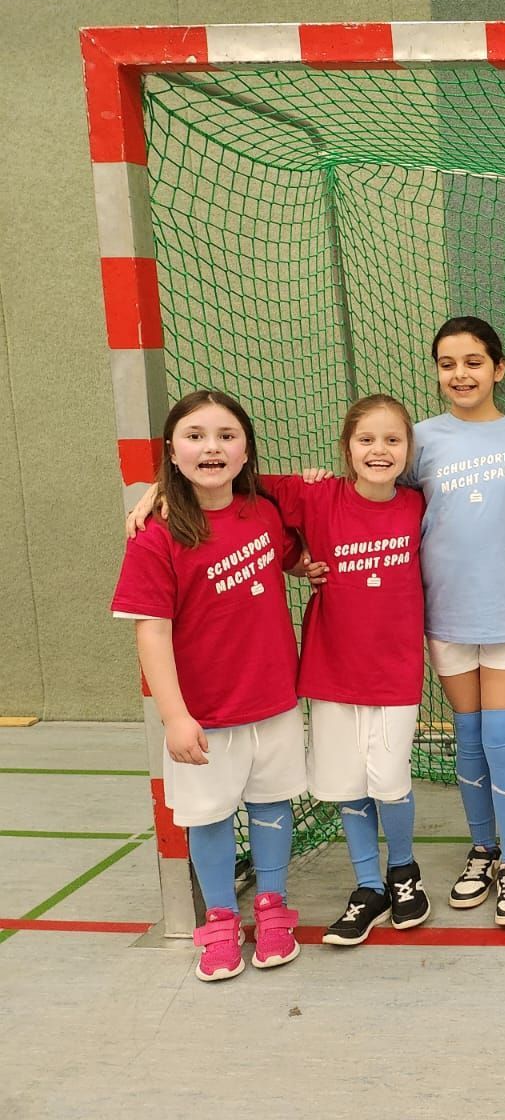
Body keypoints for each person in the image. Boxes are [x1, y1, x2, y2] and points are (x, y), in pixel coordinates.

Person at [112, 390, 306, 981]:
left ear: (246, 450)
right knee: (209, 816)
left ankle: (272, 908)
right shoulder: (156, 534)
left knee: (272, 803)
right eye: (195, 436)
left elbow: (295, 545)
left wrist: (307, 564)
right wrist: (174, 717)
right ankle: (220, 919)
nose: (212, 447)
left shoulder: (264, 510)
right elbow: (151, 633)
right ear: (172, 452)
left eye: (226, 435)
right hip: (204, 714)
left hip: (273, 700)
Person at [260, 395, 430, 945]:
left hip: (395, 672)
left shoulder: (419, 504)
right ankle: (368, 887)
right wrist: (294, 561)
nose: (379, 450)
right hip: (332, 669)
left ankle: (402, 871)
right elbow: (238, 483)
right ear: (346, 447)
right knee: (347, 783)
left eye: (392, 440)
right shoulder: (319, 494)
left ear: (408, 449)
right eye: (366, 440)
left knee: (390, 781)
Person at [412, 316, 505, 927]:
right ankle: (483, 850)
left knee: (502, 737)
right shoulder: (419, 440)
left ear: (498, 369)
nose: (460, 374)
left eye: (473, 362)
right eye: (447, 364)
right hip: (446, 613)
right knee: (467, 737)